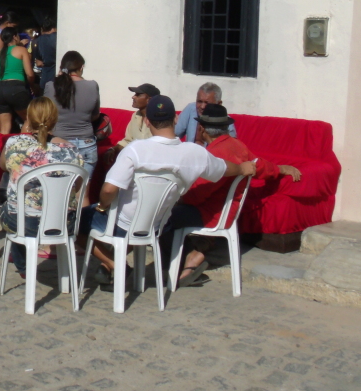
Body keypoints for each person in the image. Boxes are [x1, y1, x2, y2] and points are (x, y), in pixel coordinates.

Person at [83, 95, 256, 290]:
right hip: (160, 224)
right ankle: (116, 264)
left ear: (147, 121)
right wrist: (242, 169)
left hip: (124, 224)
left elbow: (108, 189)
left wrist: (102, 206)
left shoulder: (134, 150)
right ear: (175, 118)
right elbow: (224, 168)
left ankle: (115, 265)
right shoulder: (193, 152)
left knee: (75, 220)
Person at [174, 104, 301, 285]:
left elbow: (196, 196)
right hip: (228, 213)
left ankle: (172, 269)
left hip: (210, 214)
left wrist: (177, 199)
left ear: (202, 129)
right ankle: (191, 259)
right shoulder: (238, 146)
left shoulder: (215, 155)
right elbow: (260, 166)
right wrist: (281, 169)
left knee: (164, 217)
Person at [0, 97, 82, 278]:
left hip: (24, 223)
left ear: (28, 118)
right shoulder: (72, 150)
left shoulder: (15, 144)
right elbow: (78, 184)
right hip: (62, 223)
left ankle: (23, 267)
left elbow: (4, 166)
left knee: (13, 207)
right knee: (20, 209)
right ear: (55, 119)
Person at [44, 51, 99, 204]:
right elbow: (94, 115)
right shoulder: (92, 86)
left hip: (59, 143)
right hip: (87, 144)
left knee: (58, 192)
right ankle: (80, 227)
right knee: (83, 195)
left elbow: (47, 114)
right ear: (81, 67)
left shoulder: (51, 86)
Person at [0, 27, 35, 136]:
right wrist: (32, 85)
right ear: (15, 37)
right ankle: (23, 147)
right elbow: (30, 74)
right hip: (16, 87)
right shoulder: (21, 50)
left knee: (5, 127)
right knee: (30, 120)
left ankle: (1, 151)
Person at [108, 84, 160, 158]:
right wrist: (113, 149)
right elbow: (127, 141)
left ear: (149, 99)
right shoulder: (135, 115)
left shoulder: (159, 118)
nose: (133, 97)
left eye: (138, 95)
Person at [33, 17, 57, 88]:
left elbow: (38, 63)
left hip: (46, 79)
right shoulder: (60, 37)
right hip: (58, 80)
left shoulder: (39, 40)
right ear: (54, 27)